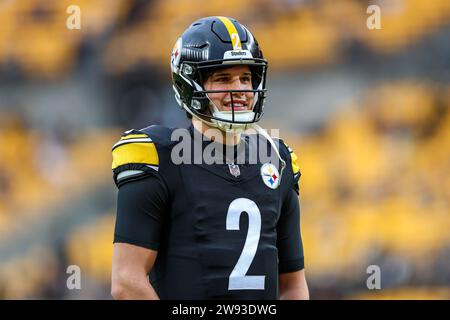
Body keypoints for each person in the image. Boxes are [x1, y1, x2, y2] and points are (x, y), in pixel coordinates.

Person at [110, 16, 309, 300]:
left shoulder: (277, 159)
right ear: (190, 84)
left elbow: (293, 285)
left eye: (246, 78)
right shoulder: (159, 156)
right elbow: (126, 282)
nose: (240, 89)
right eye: (223, 78)